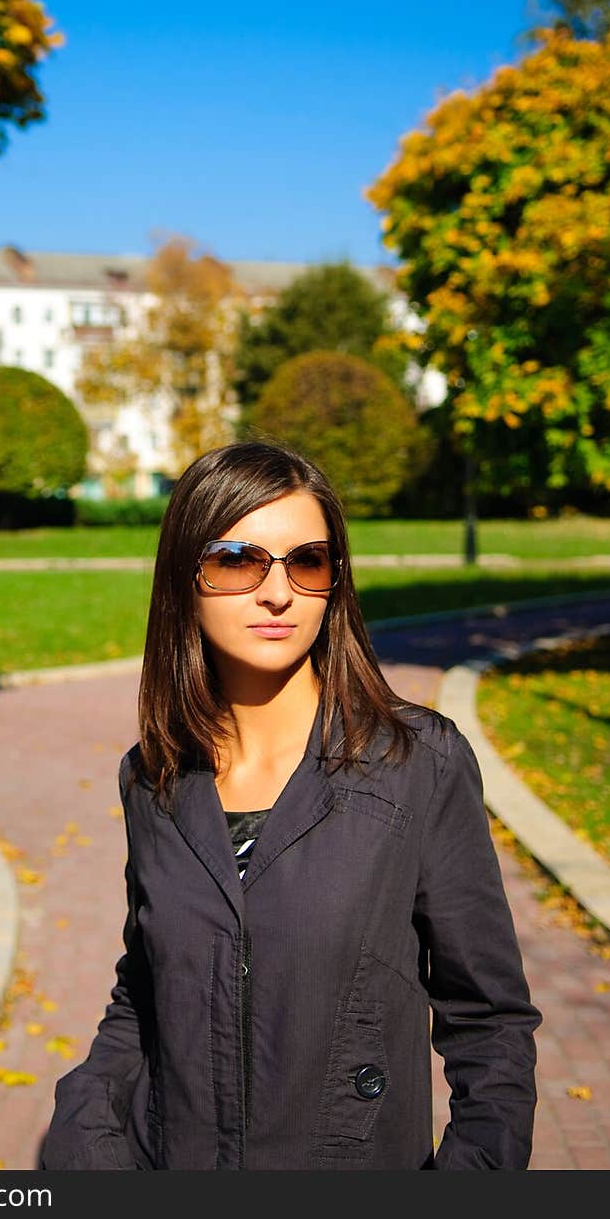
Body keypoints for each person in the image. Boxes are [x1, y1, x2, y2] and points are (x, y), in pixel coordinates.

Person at [40, 440, 542, 1171]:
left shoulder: (416, 764)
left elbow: (489, 1022)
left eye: (307, 562)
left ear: (334, 583)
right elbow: (144, 984)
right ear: (185, 577)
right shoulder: (153, 777)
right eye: (238, 559)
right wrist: (85, 1129)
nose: (278, 592)